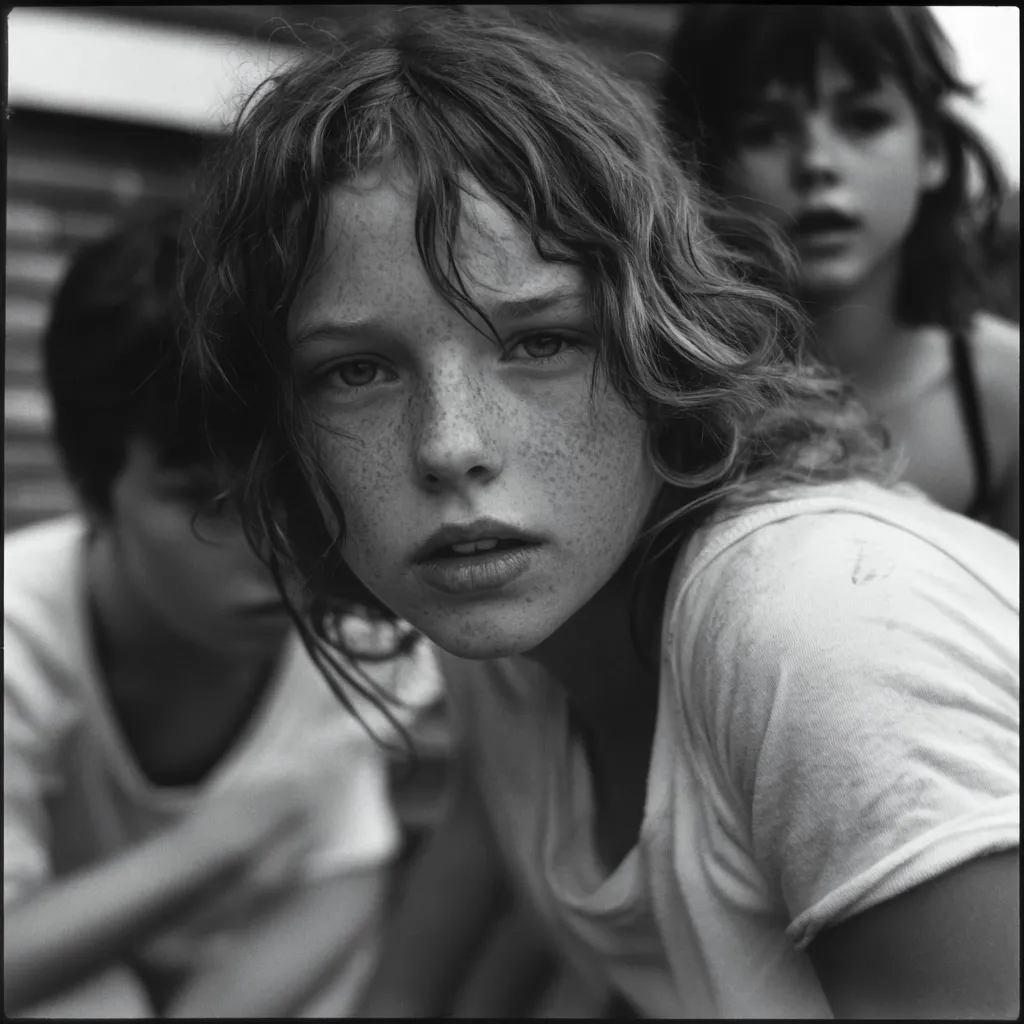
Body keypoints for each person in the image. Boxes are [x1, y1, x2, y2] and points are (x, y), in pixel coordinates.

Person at [178, 8, 1019, 1019]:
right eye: (354, 370)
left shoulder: (822, 633)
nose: (450, 446)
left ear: (661, 348)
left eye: (540, 343)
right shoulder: (507, 604)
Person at [3, 204, 444, 1018]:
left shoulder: (356, 628)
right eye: (203, 498)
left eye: (294, 487)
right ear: (97, 490)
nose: (273, 544)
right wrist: (220, 842)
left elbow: (346, 875)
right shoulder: (18, 638)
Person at [661, 4, 1020, 539]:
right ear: (704, 167)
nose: (817, 162)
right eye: (764, 130)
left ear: (932, 150)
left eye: (864, 120)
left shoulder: (1004, 391)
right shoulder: (666, 395)